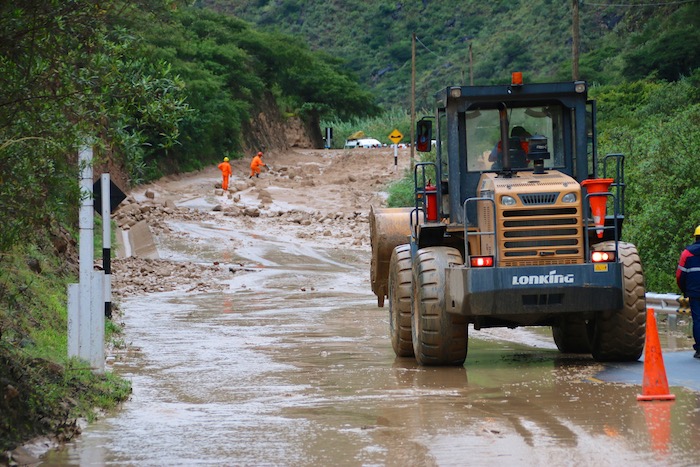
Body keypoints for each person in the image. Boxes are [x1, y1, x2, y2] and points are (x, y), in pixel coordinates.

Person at [676, 225, 700, 359]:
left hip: (694, 292)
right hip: (694, 291)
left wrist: (685, 289)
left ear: (695, 237)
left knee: (698, 320)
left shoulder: (687, 253)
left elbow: (680, 275)